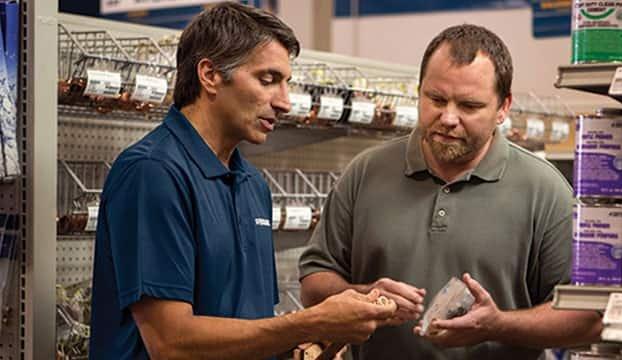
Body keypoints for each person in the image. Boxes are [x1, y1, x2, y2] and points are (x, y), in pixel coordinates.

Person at [88, 2, 396, 359]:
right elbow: (171, 343)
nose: (284, 102)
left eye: (286, 83)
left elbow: (253, 329)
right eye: (268, 80)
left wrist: (333, 330)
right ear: (210, 75)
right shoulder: (153, 173)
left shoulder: (252, 185)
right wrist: (311, 322)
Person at [298, 24, 602, 359]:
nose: (448, 118)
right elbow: (314, 282)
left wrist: (497, 324)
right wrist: (364, 294)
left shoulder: (545, 190)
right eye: (436, 99)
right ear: (419, 91)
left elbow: (587, 318)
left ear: (503, 107)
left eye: (469, 106)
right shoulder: (365, 172)